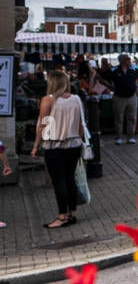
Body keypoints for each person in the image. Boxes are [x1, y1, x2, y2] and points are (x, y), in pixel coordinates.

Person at [30, 69, 86, 228]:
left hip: (55, 146)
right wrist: (79, 139)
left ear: (52, 83)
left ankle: (62, 217)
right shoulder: (76, 99)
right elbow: (82, 124)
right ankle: (72, 214)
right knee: (70, 179)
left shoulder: (48, 100)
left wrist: (35, 146)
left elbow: (42, 125)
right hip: (74, 144)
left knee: (59, 181)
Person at [109, 53, 138, 145]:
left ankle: (130, 137)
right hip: (119, 97)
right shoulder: (114, 70)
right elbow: (102, 77)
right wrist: (110, 86)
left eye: (129, 58)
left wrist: (137, 85)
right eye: (127, 59)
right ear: (121, 60)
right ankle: (119, 137)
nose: (129, 60)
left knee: (132, 118)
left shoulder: (133, 69)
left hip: (132, 97)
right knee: (119, 118)